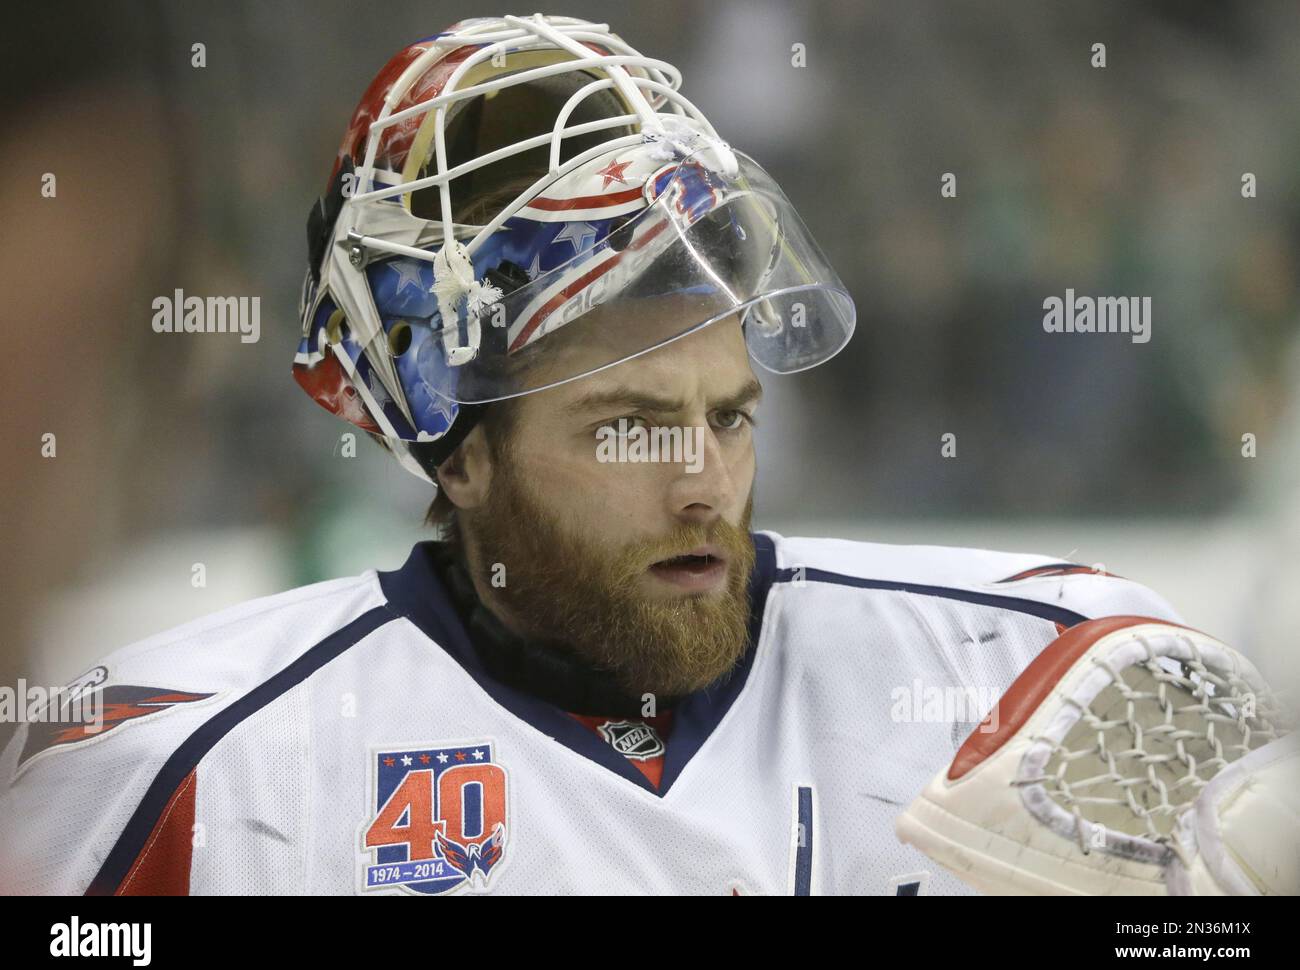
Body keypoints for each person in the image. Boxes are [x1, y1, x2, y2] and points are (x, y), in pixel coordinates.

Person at [0, 14, 1190, 896]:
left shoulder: (1048, 680)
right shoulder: (189, 781)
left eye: (728, 415)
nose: (703, 481)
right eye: (629, 425)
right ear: (456, 455)